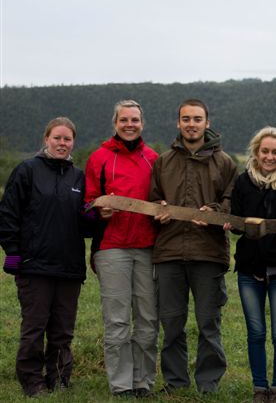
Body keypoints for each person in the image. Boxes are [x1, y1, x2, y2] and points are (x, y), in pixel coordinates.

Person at [150, 98, 238, 395]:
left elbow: (231, 201)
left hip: (208, 253)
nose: (191, 124)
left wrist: (214, 211)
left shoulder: (225, 162)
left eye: (197, 119)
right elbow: (152, 198)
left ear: (207, 123)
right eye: (186, 119)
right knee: (172, 324)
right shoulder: (163, 161)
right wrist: (157, 208)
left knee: (208, 324)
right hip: (169, 252)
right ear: (178, 123)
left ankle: (208, 384)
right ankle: (175, 383)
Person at [0, 117, 87, 397]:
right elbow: (8, 215)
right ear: (46, 139)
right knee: (35, 326)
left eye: (67, 139)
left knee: (63, 329)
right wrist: (12, 255)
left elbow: (84, 226)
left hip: (69, 266)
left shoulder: (79, 177)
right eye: (57, 138)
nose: (62, 143)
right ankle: (31, 380)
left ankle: (59, 377)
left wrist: (94, 216)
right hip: (33, 265)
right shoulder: (27, 170)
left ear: (73, 142)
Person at [223, 127, 276, 403]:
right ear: (256, 152)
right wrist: (230, 223)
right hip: (249, 268)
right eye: (265, 151)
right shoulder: (243, 182)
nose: (269, 156)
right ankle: (260, 388)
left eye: (275, 152)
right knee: (256, 331)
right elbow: (237, 224)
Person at [84, 100, 159, 397]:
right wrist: (97, 210)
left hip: (148, 247)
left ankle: (143, 382)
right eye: (124, 119)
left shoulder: (153, 158)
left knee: (147, 320)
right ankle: (121, 385)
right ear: (115, 123)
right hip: (112, 247)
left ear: (143, 123)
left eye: (135, 120)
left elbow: (161, 198)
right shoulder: (99, 157)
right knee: (116, 320)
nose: (130, 124)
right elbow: (87, 202)